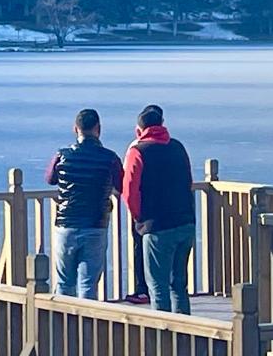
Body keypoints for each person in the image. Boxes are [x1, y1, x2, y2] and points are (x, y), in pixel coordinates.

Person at [122, 105, 196, 314]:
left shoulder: (138, 151)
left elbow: (129, 192)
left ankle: (162, 339)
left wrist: (139, 218)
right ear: (162, 126)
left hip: (157, 226)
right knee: (179, 285)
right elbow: (188, 183)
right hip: (185, 223)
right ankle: (185, 333)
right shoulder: (178, 147)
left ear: (139, 130)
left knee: (158, 287)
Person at [45, 108, 123, 299]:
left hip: (66, 224)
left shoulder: (62, 155)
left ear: (75, 129)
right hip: (96, 225)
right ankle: (86, 327)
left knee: (64, 282)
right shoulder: (110, 158)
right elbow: (121, 185)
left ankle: (63, 325)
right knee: (88, 285)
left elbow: (49, 178)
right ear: (99, 129)